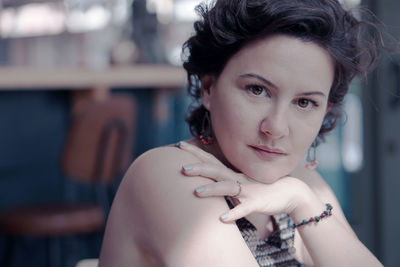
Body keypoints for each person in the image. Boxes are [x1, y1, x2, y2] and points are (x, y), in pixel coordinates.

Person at [99, 0, 384, 266]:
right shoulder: (169, 173)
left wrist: (304, 202)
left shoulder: (300, 185)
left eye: (305, 102)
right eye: (257, 90)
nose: (276, 128)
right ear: (208, 88)